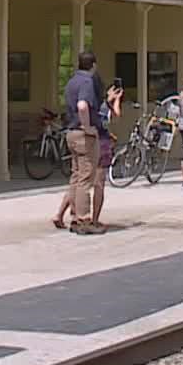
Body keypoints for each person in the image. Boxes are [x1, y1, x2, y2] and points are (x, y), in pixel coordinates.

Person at [55, 75, 123, 229]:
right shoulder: (103, 105)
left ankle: (63, 213)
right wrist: (116, 100)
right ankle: (91, 219)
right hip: (100, 142)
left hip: (77, 136)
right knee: (97, 183)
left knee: (77, 179)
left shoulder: (89, 101)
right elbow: (115, 117)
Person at [59, 50, 106, 234]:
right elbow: (82, 105)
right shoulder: (87, 82)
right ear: (93, 65)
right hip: (82, 134)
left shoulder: (71, 82)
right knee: (86, 178)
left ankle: (73, 216)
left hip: (70, 132)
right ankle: (84, 220)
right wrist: (87, 127)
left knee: (76, 177)